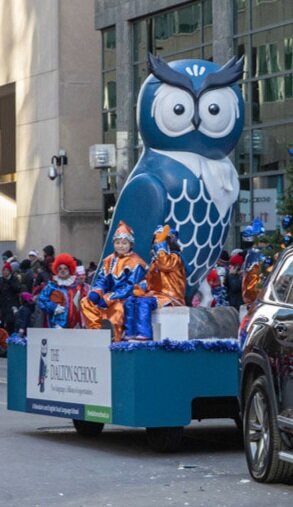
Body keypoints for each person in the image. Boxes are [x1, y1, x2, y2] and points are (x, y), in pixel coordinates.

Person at [81, 221, 147, 342]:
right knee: (86, 302)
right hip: (107, 296)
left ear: (130, 244)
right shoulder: (109, 260)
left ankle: (114, 338)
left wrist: (109, 298)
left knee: (118, 308)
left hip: (125, 297)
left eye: (124, 243)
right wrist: (97, 292)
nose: (120, 246)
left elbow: (131, 286)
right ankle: (96, 333)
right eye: (117, 243)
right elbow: (102, 279)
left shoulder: (137, 263)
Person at [123, 225, 188, 341]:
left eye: (160, 240)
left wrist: (161, 248)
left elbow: (165, 265)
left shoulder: (175, 258)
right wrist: (141, 287)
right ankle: (130, 332)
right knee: (130, 301)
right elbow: (149, 279)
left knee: (143, 303)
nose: (156, 243)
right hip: (156, 294)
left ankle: (145, 334)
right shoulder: (156, 261)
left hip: (171, 296)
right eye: (156, 240)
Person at [37, 253, 87, 329]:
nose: (62, 270)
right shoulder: (51, 285)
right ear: (56, 270)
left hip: (74, 325)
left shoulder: (76, 286)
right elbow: (41, 300)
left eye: (65, 268)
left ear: (70, 269)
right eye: (60, 268)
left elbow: (84, 301)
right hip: (56, 324)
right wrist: (53, 307)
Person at [0, 262, 21, 334]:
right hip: (3, 307)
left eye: (6, 270)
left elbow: (18, 288)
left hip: (13, 306)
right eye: (3, 270)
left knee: (11, 324)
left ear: (9, 271)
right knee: (3, 325)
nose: (4, 272)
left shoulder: (14, 279)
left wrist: (9, 282)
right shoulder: (1, 280)